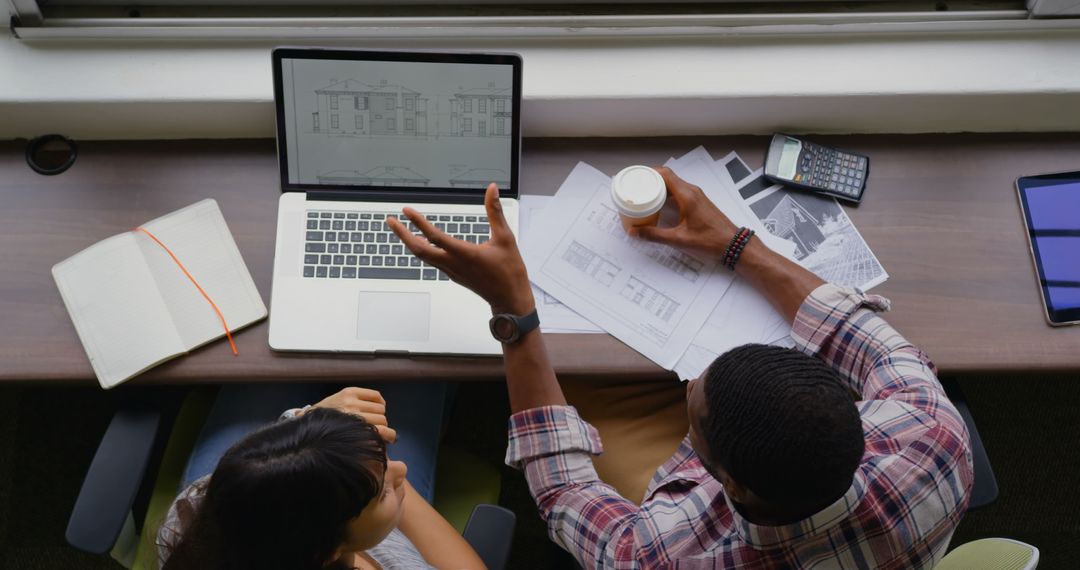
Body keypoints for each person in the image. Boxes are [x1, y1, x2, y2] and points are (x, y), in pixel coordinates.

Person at [386, 170, 974, 568]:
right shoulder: (933, 436)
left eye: (696, 412)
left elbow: (565, 490)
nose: (690, 382)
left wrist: (513, 311)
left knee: (593, 389)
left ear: (730, 484)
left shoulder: (659, 554)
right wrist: (735, 243)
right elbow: (850, 328)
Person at [156, 386, 484, 570]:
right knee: (417, 370)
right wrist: (364, 460)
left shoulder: (195, 512)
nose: (402, 470)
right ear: (327, 553)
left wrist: (309, 422)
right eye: (382, 493)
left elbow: (264, 469)